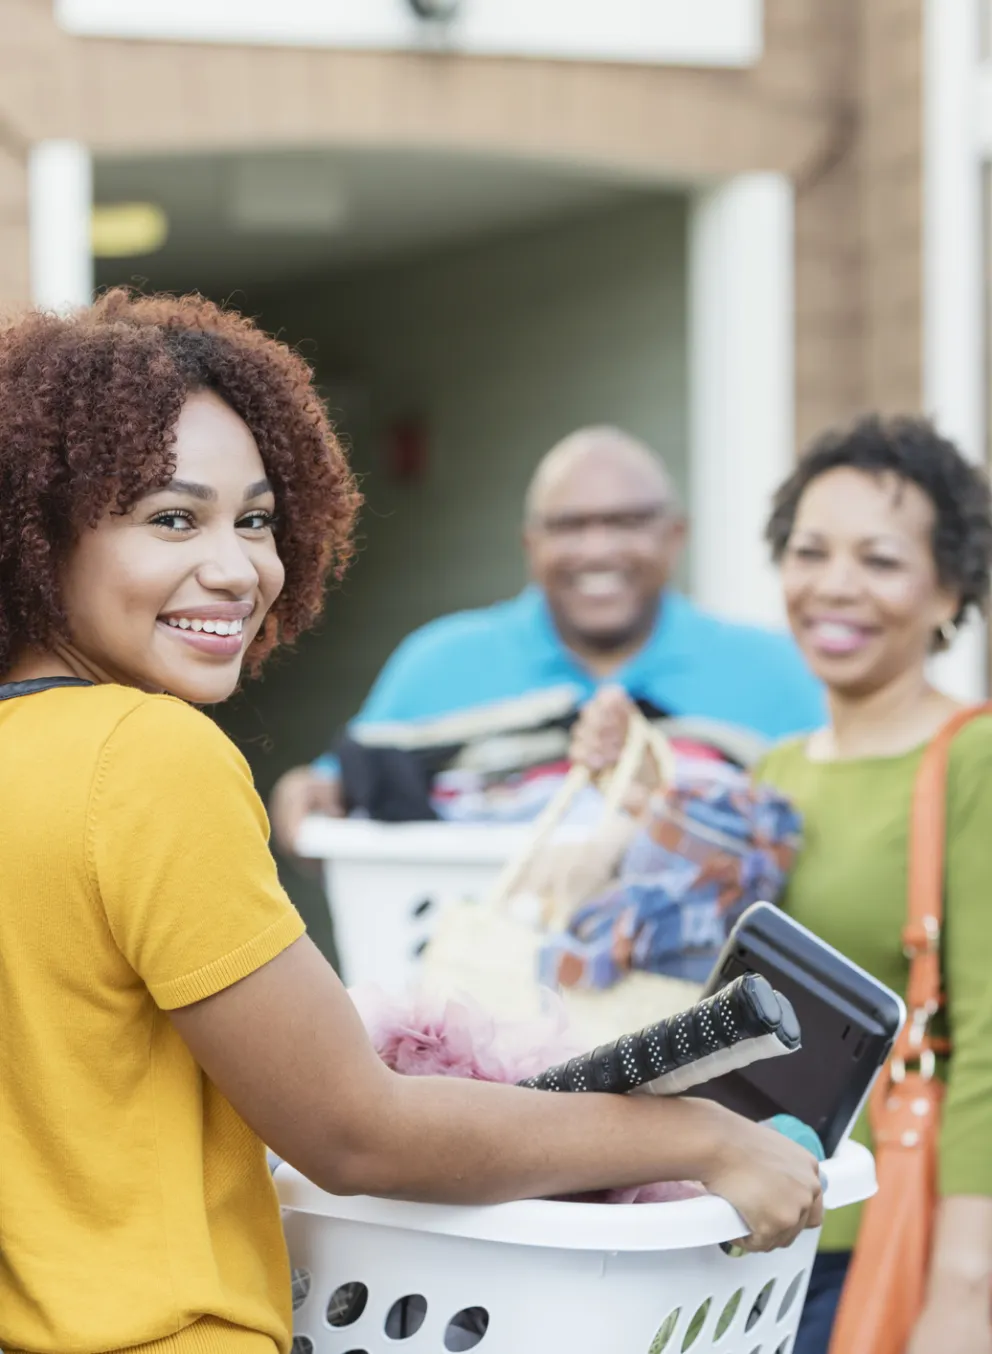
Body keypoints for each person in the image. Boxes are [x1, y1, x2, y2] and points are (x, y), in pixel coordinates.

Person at [0, 291, 823, 1354]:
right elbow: (356, 1129)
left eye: (254, 518)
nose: (237, 566)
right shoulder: (150, 759)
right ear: (36, 531)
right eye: (172, 517)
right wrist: (698, 1138)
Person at [570, 415, 992, 1354]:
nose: (834, 586)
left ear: (949, 586)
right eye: (810, 551)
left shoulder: (973, 759)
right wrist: (636, 802)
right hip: (745, 1234)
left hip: (891, 1241)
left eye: (880, 560)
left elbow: (989, 1048)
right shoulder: (778, 774)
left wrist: (967, 1289)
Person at [270, 425, 824, 852]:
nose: (598, 549)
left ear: (675, 535)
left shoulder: (776, 671)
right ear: (530, 544)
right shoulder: (439, 663)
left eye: (627, 522)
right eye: (569, 526)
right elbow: (332, 805)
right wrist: (302, 797)